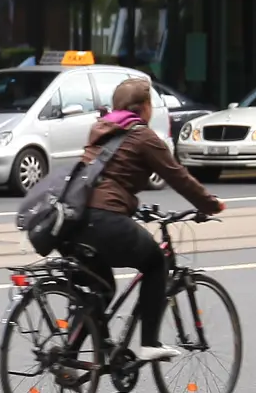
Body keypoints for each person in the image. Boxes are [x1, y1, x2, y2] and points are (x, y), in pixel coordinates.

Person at [66, 73, 224, 361]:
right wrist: (210, 203)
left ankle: (69, 357)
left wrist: (132, 206)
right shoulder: (142, 135)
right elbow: (178, 177)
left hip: (73, 221)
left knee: (101, 287)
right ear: (144, 107)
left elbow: (106, 178)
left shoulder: (101, 130)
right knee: (155, 262)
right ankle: (149, 342)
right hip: (105, 220)